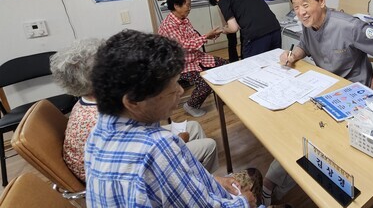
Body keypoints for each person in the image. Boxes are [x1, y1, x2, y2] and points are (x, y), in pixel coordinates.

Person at [263, 0, 373, 205]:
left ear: (322, 1)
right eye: (296, 7)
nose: (301, 12)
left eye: (305, 5)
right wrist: (293, 55)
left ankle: (290, 184)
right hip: (326, 91)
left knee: (316, 138)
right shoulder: (308, 25)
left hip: (355, 95)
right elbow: (305, 44)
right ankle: (277, 181)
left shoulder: (348, 25)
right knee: (295, 129)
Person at [85, 30, 257, 208]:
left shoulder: (98, 132)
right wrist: (244, 202)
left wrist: (214, 180)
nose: (181, 91)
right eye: (173, 86)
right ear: (133, 101)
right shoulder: (157, 147)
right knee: (254, 178)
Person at [51, 38, 220, 180]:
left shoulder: (87, 101)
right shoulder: (108, 118)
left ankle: (200, 179)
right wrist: (179, 139)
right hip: (127, 176)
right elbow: (147, 155)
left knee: (193, 127)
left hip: (116, 162)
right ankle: (198, 187)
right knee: (208, 145)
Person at [158, 0, 225, 118]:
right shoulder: (169, 25)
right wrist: (206, 36)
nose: (190, 8)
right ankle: (191, 105)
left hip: (195, 57)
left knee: (226, 66)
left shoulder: (184, 19)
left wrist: (209, 37)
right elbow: (183, 46)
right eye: (188, 5)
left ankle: (224, 97)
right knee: (205, 83)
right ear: (177, 6)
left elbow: (193, 38)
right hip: (181, 64)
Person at [208, 0, 281, 58]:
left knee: (252, 66)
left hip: (256, 36)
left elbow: (233, 28)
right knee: (274, 63)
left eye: (216, 3)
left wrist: (223, 30)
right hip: (275, 30)